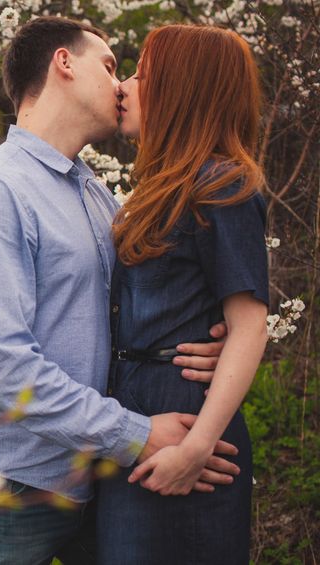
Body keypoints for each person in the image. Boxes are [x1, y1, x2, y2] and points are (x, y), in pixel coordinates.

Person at [0, 17, 240, 565]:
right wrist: (137, 434)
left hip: (95, 481)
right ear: (64, 64)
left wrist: (206, 342)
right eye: (109, 65)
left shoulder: (99, 198)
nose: (121, 85)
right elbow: (3, 365)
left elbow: (140, 308)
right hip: (6, 487)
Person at [96, 25, 269, 564]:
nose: (123, 85)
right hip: (136, 420)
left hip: (188, 428)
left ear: (179, 89)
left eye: (141, 74)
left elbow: (249, 325)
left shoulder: (221, 185)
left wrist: (196, 449)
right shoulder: (154, 189)